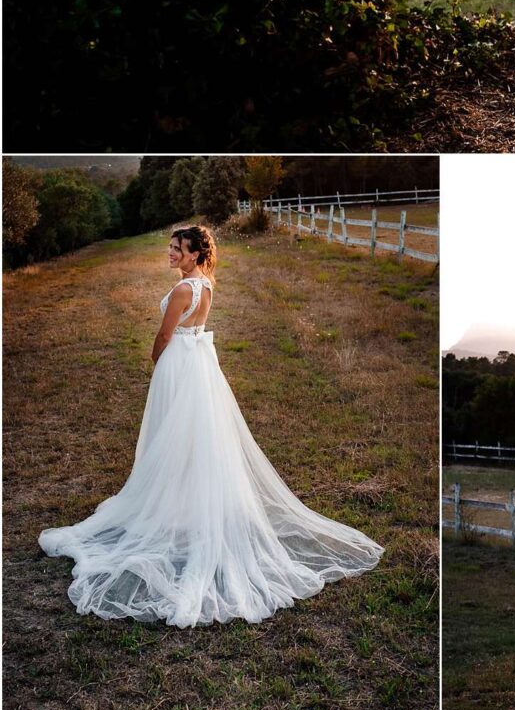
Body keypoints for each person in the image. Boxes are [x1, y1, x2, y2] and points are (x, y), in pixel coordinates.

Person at [38, 223, 382, 626]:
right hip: (200, 364)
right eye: (169, 247)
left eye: (177, 249)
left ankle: (172, 508)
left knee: (173, 435)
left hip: (181, 363)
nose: (170, 253)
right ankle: (190, 505)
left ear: (196, 254)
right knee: (196, 437)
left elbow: (164, 335)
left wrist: (156, 362)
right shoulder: (206, 284)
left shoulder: (184, 289)